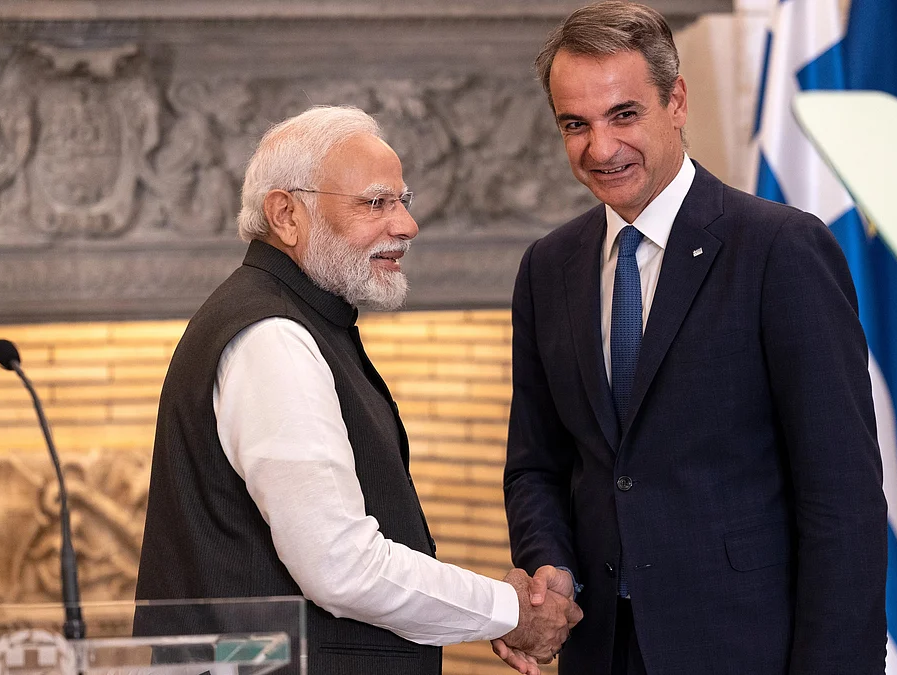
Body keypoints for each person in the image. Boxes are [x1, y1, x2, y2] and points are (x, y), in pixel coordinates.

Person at [498, 3, 888, 674]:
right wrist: (551, 565)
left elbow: (842, 498)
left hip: (750, 651)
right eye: (575, 124)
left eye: (624, 114)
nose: (601, 147)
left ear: (675, 101)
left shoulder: (781, 249)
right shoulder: (547, 267)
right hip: (602, 652)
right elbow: (537, 463)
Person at [135, 105, 580, 675]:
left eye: (403, 201)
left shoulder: (299, 319)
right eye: (376, 203)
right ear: (286, 214)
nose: (406, 226)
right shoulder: (273, 337)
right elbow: (340, 565)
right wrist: (506, 611)